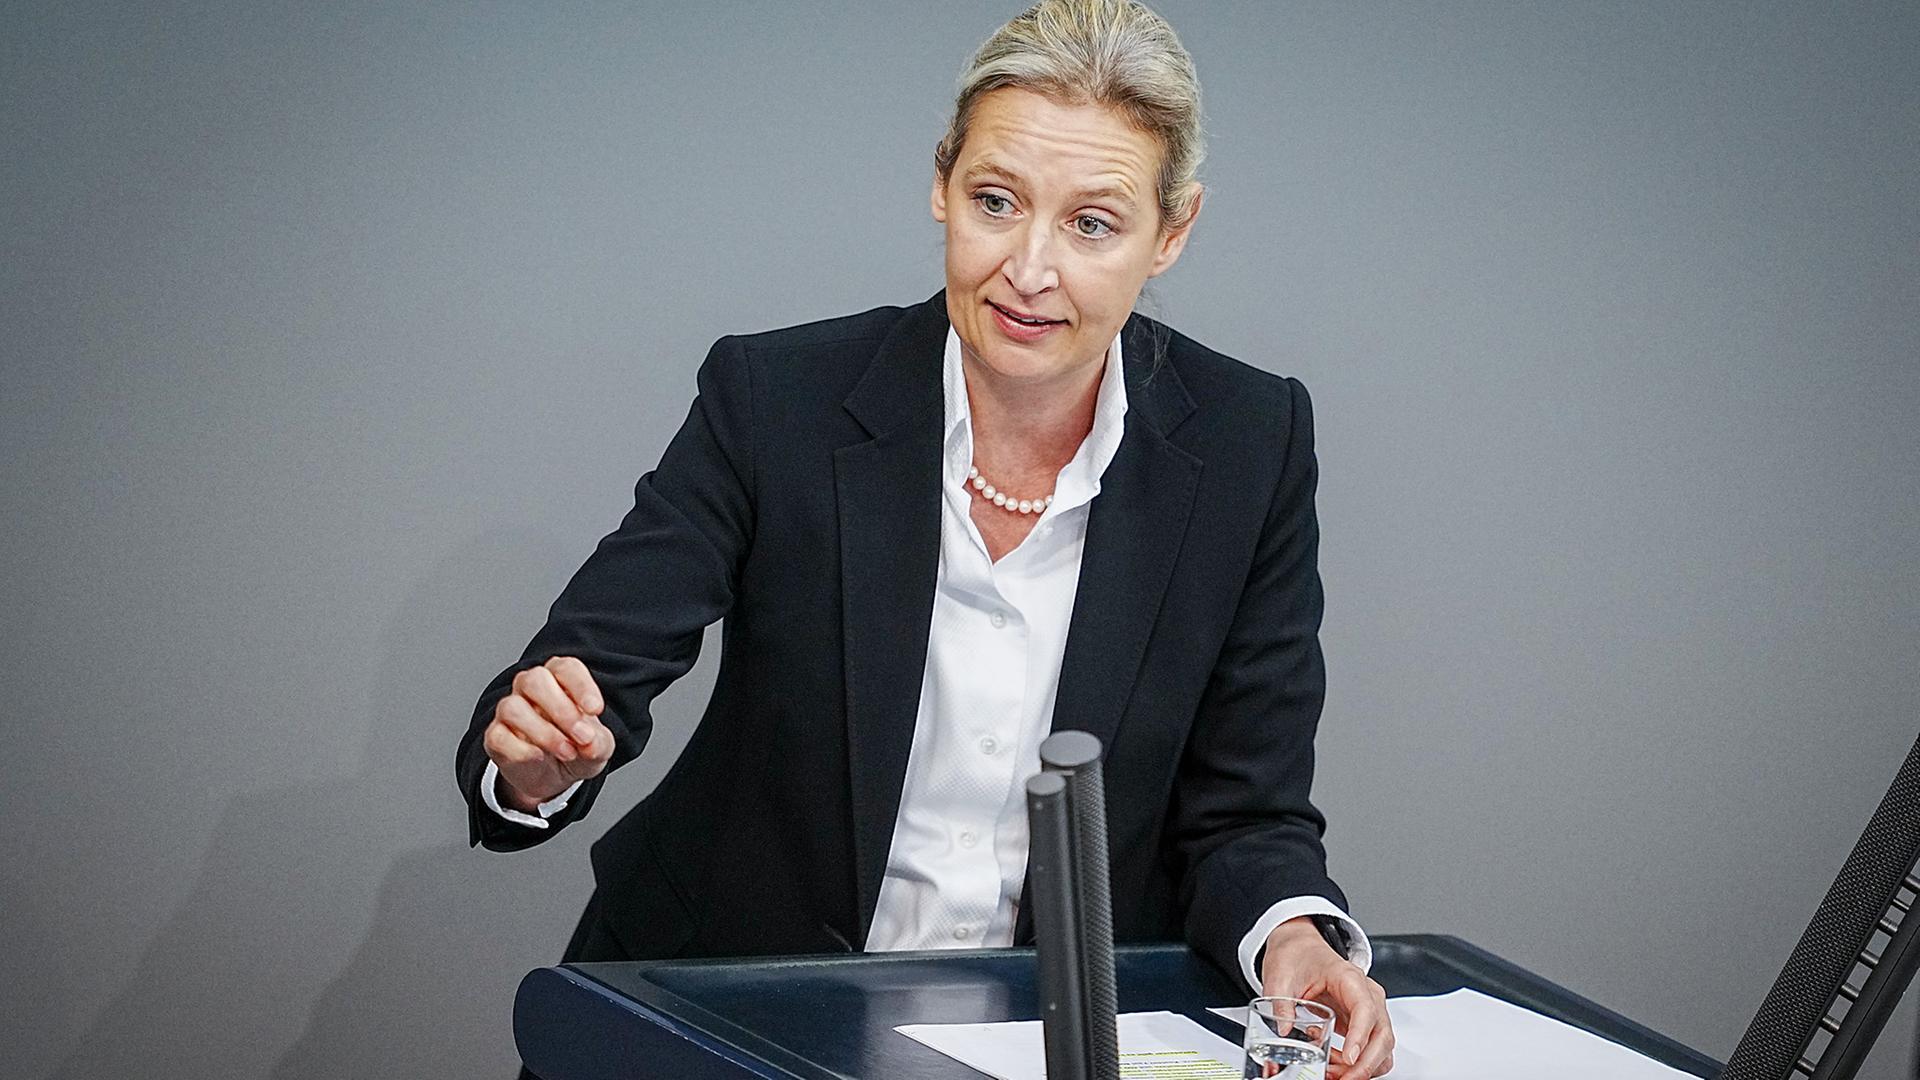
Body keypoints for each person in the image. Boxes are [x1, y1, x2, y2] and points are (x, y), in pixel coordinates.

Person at [458, 2, 1395, 1076]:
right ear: (942, 183)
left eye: (1092, 224)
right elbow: (584, 677)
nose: (1030, 269)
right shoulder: (779, 399)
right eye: (996, 202)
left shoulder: (1249, 442)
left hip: (1029, 1044)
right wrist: (537, 764)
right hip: (722, 1009)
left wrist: (1292, 934)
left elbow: (1246, 810)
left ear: (1170, 233)